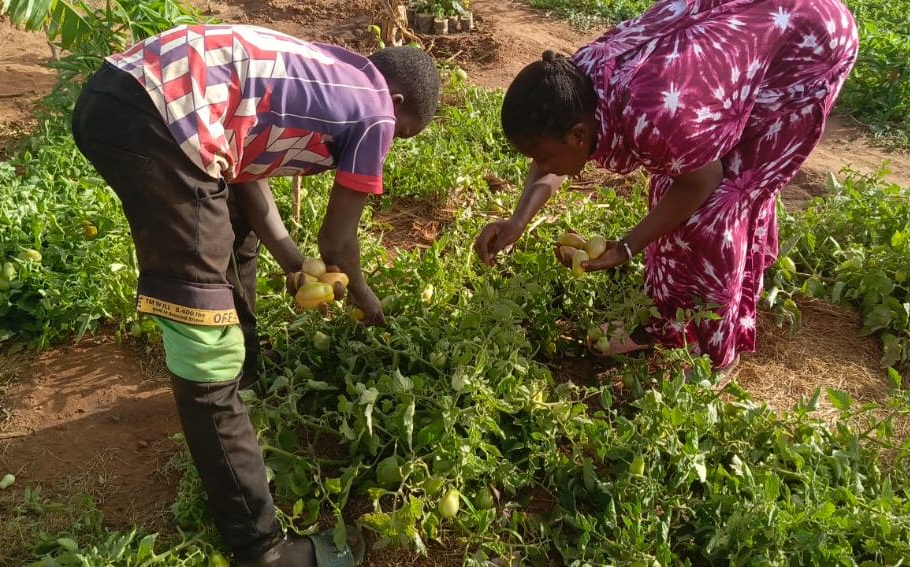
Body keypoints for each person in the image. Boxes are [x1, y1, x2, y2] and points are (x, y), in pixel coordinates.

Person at [71, 23, 440, 566]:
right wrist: (365, 297)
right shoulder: (378, 108)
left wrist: (293, 265)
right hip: (154, 114)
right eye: (402, 136)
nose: (390, 143)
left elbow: (248, 182)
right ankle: (262, 549)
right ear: (400, 101)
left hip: (123, 94)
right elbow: (337, 239)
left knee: (234, 223)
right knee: (205, 340)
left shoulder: (327, 72)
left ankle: (246, 378)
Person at [475, 0, 858, 372]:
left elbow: (703, 179)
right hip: (749, 27)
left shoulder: (654, 123)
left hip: (809, 39)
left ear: (578, 135)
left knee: (717, 210)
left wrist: (628, 246)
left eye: (541, 157)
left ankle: (715, 354)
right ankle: (665, 322)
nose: (539, 167)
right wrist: (518, 221)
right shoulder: (575, 89)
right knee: (673, 188)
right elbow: (556, 155)